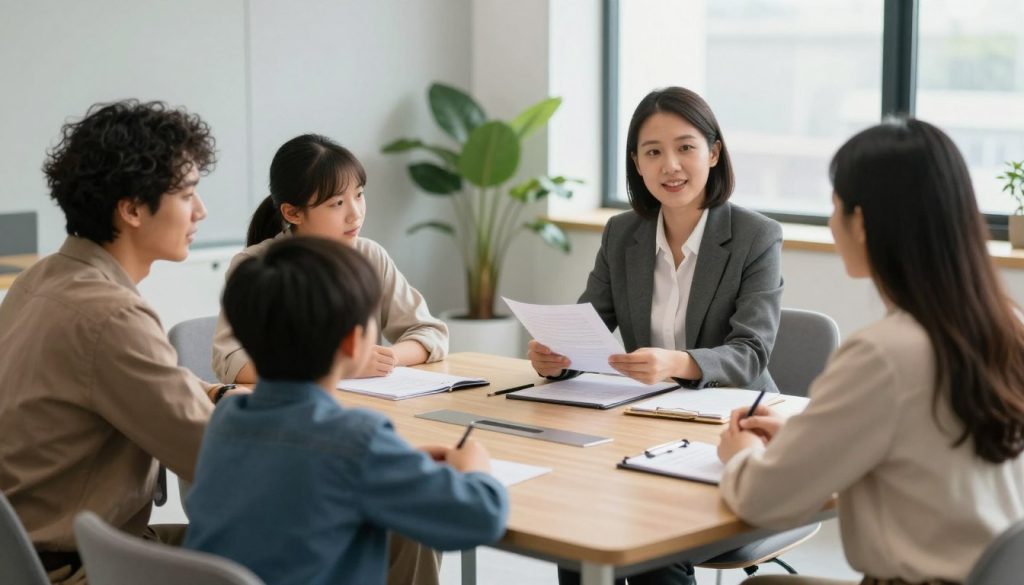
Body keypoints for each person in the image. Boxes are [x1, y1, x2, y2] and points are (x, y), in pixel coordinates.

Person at [717, 118, 1024, 585]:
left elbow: (761, 500)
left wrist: (739, 454)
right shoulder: (1007, 324)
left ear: (860, 222)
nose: (832, 220)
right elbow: (924, 444)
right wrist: (807, 435)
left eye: (836, 206)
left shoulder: (883, 354)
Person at [537, 87, 784, 585]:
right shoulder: (621, 233)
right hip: (640, 425)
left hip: (727, 433)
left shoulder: (756, 236)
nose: (670, 165)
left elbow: (751, 352)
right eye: (653, 152)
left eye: (685, 147)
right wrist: (555, 356)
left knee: (652, 534)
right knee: (570, 517)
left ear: (713, 153)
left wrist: (676, 363)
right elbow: (589, 321)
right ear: (637, 163)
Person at [0, 100, 240, 584]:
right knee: (338, 535)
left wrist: (214, 392)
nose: (201, 210)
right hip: (84, 567)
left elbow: (125, 377)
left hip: (30, 556)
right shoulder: (110, 315)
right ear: (131, 209)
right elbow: (216, 456)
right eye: (188, 194)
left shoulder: (41, 279)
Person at [184, 236, 508, 585]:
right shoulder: (355, 440)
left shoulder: (226, 419)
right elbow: (480, 517)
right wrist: (476, 468)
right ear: (354, 343)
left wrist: (393, 461)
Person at [212, 133, 447, 385]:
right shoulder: (257, 263)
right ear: (293, 213)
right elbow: (232, 363)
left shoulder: (369, 255)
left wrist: (384, 358)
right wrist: (341, 366)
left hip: (361, 404)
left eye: (359, 195)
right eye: (337, 203)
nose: (355, 214)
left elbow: (430, 333)